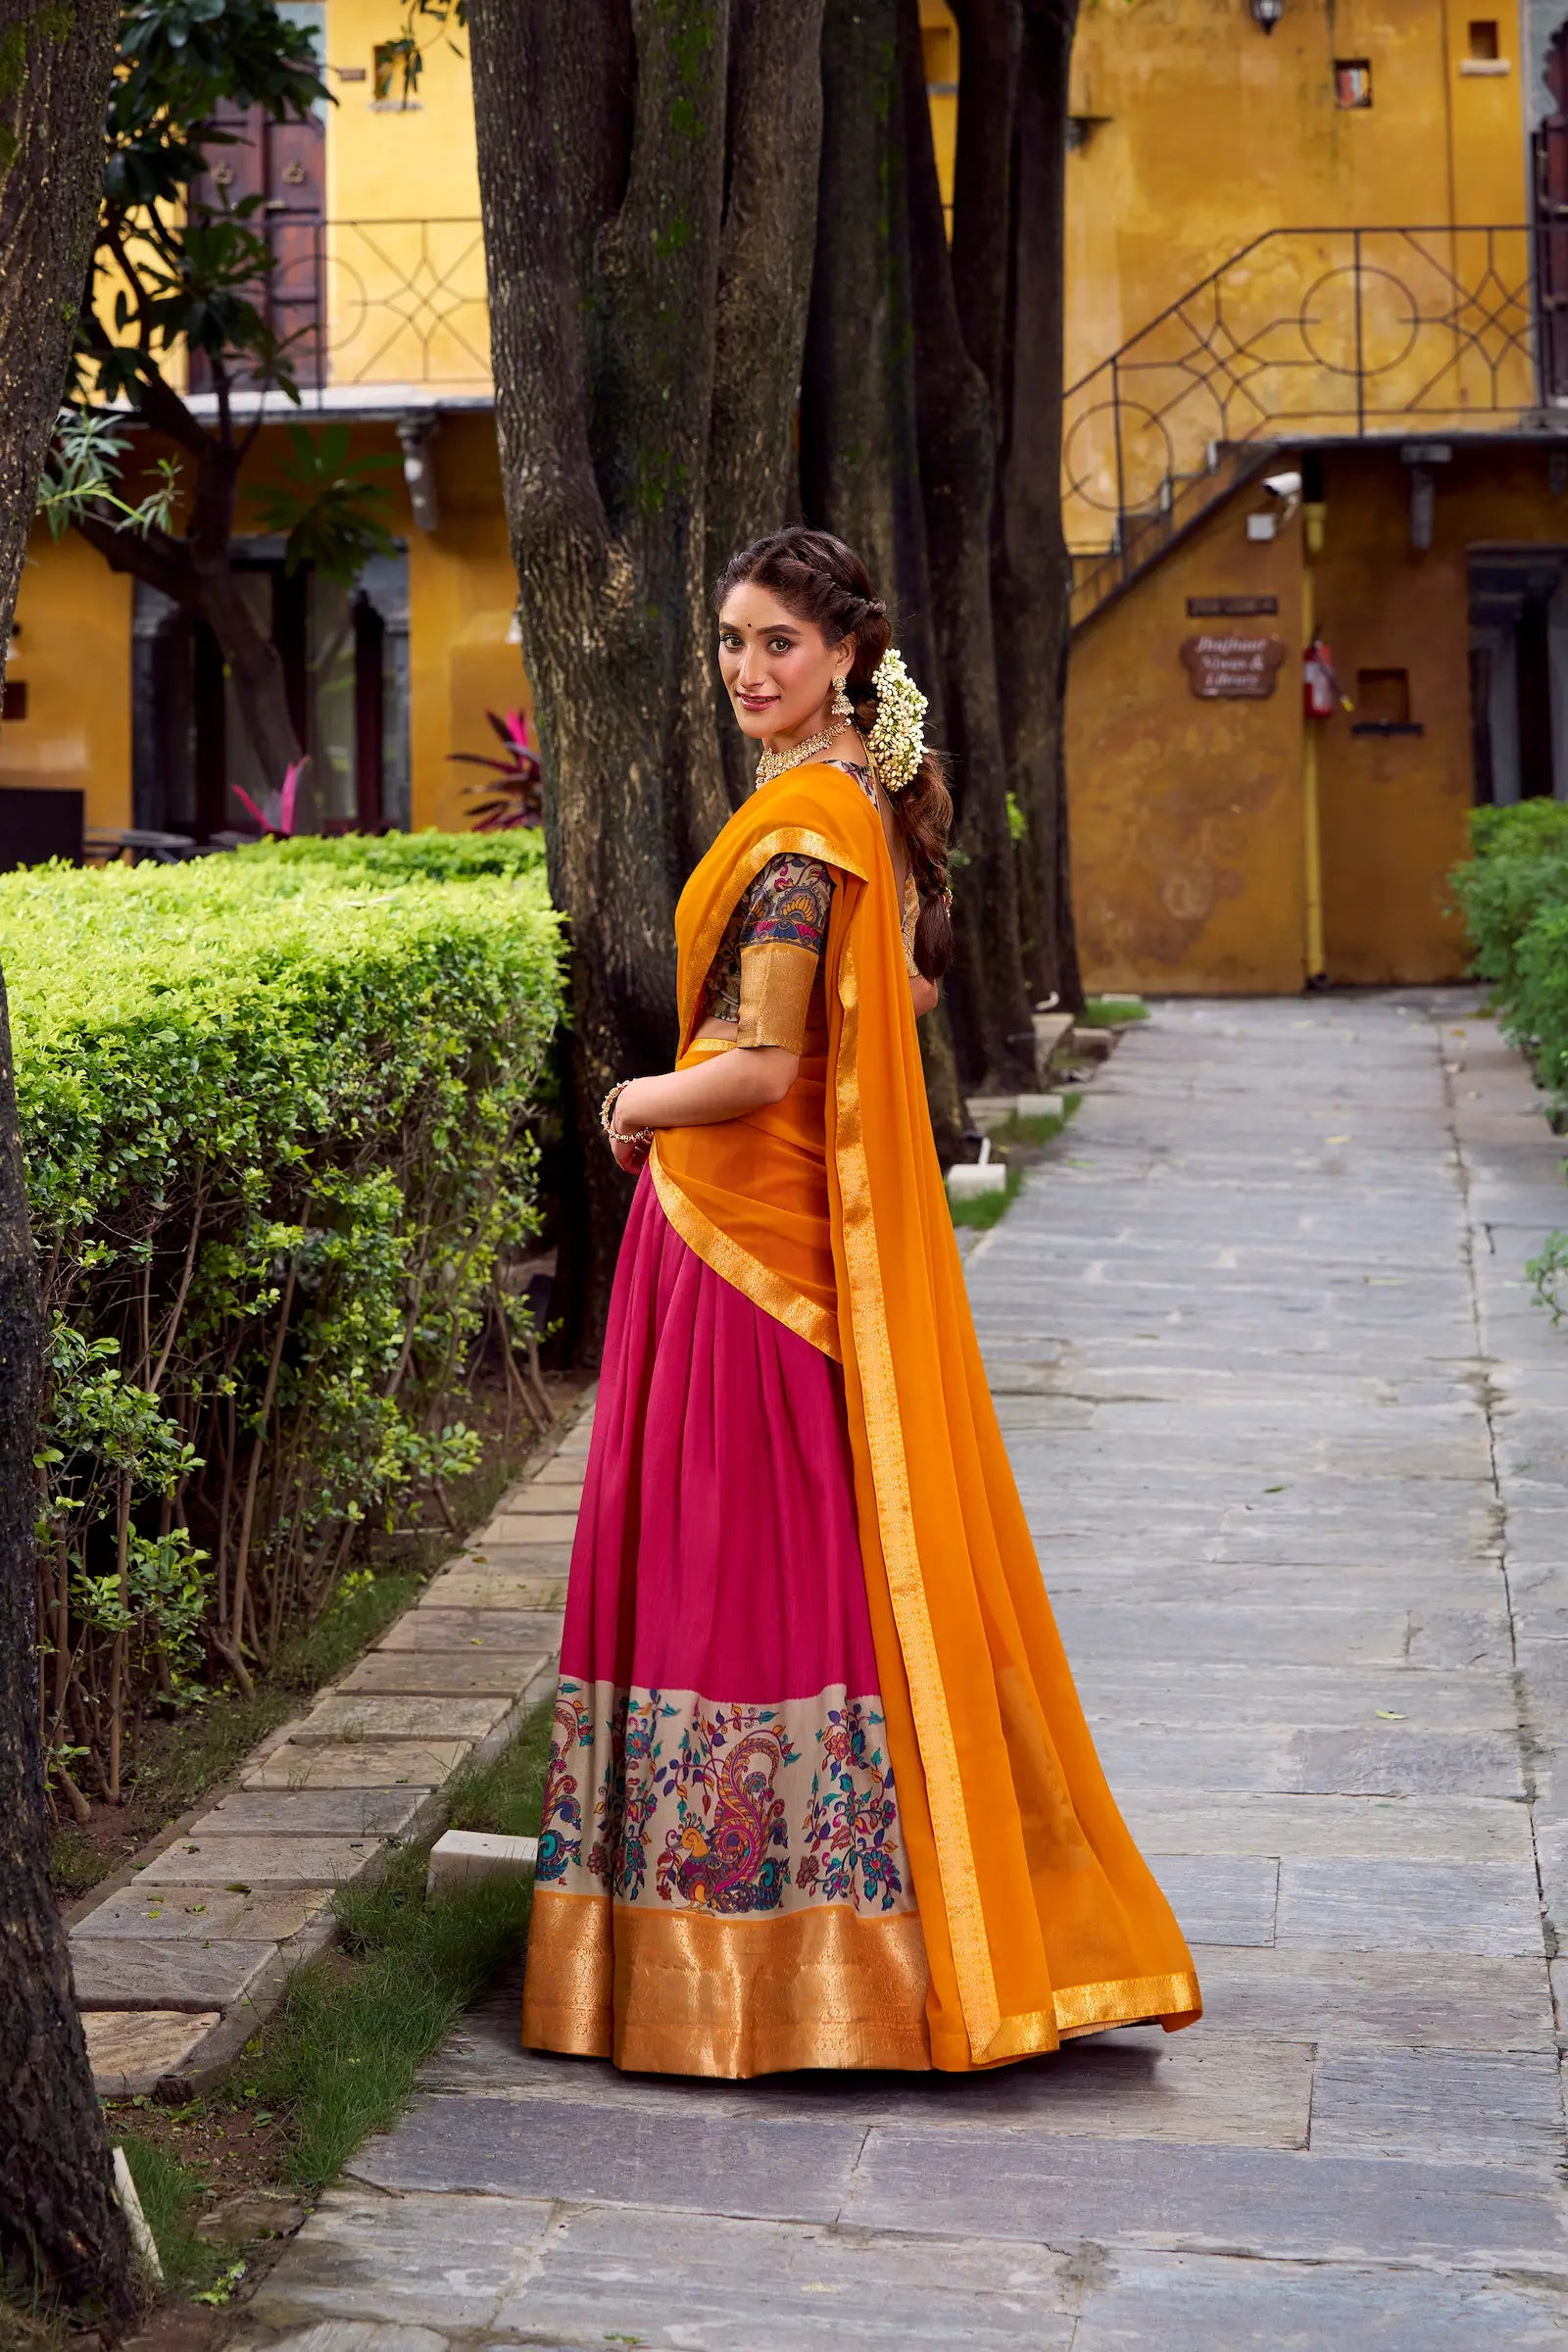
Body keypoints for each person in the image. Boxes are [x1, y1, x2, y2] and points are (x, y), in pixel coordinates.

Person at [522, 525, 1200, 2077]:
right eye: (731, 642)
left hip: (744, 1260)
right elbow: (895, 1008)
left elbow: (762, 1068)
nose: (748, 671)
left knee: (739, 1571)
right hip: (784, 1250)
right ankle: (859, 1938)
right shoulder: (854, 816)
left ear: (842, 658)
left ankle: (761, 1967)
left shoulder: (808, 832)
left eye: (778, 644)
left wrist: (636, 1099)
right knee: (811, 1572)